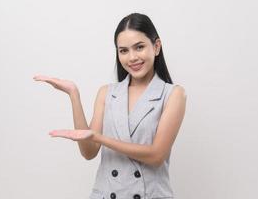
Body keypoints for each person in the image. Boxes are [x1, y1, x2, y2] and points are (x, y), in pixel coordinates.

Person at [33, 13, 186, 199]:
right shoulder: (107, 92)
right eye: (123, 50)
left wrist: (99, 137)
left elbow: (156, 155)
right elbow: (89, 152)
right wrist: (74, 94)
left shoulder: (173, 94)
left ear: (156, 46)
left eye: (139, 47)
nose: (132, 57)